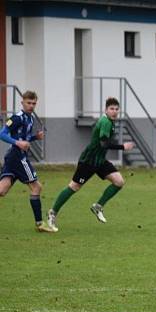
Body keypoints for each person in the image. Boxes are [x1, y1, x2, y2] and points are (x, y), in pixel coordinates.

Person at [47, 97, 135, 230]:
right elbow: (103, 143)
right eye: (111, 109)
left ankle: (98, 206)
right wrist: (123, 147)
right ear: (105, 110)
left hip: (99, 161)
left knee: (119, 181)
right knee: (74, 187)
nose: (114, 111)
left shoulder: (110, 121)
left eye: (117, 109)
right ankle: (52, 213)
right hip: (88, 161)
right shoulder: (105, 122)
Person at [0, 90, 56, 233]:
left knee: (2, 190)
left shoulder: (30, 118)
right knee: (37, 187)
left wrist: (35, 138)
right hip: (18, 157)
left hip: (13, 157)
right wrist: (17, 143)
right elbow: (2, 134)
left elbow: (24, 138)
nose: (31, 106)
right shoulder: (17, 118)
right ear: (22, 102)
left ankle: (39, 224)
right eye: (28, 103)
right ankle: (39, 224)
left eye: (34, 103)